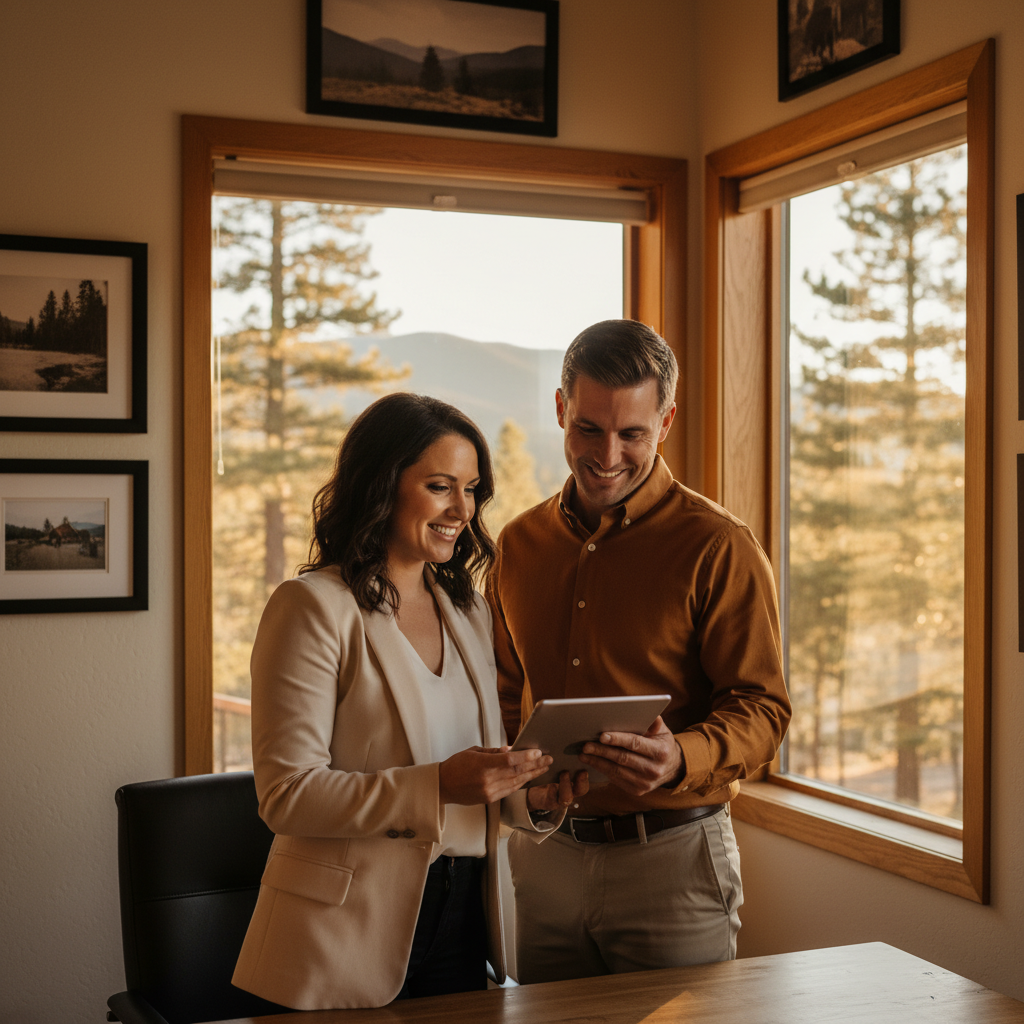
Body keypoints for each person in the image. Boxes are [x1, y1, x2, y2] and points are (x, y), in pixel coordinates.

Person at [232, 393, 585, 1011]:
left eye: (472, 490)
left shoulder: (468, 609)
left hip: (463, 921)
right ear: (382, 485)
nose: (462, 510)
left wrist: (529, 798)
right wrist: (439, 785)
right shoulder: (311, 607)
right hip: (341, 936)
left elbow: (470, 782)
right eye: (441, 486)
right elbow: (286, 794)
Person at [486, 320, 792, 984]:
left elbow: (764, 710)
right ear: (562, 408)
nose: (607, 456)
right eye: (588, 429)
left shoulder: (719, 546)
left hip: (674, 862)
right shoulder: (517, 546)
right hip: (544, 859)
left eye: (633, 434)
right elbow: (503, 694)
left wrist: (680, 756)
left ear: (667, 419)